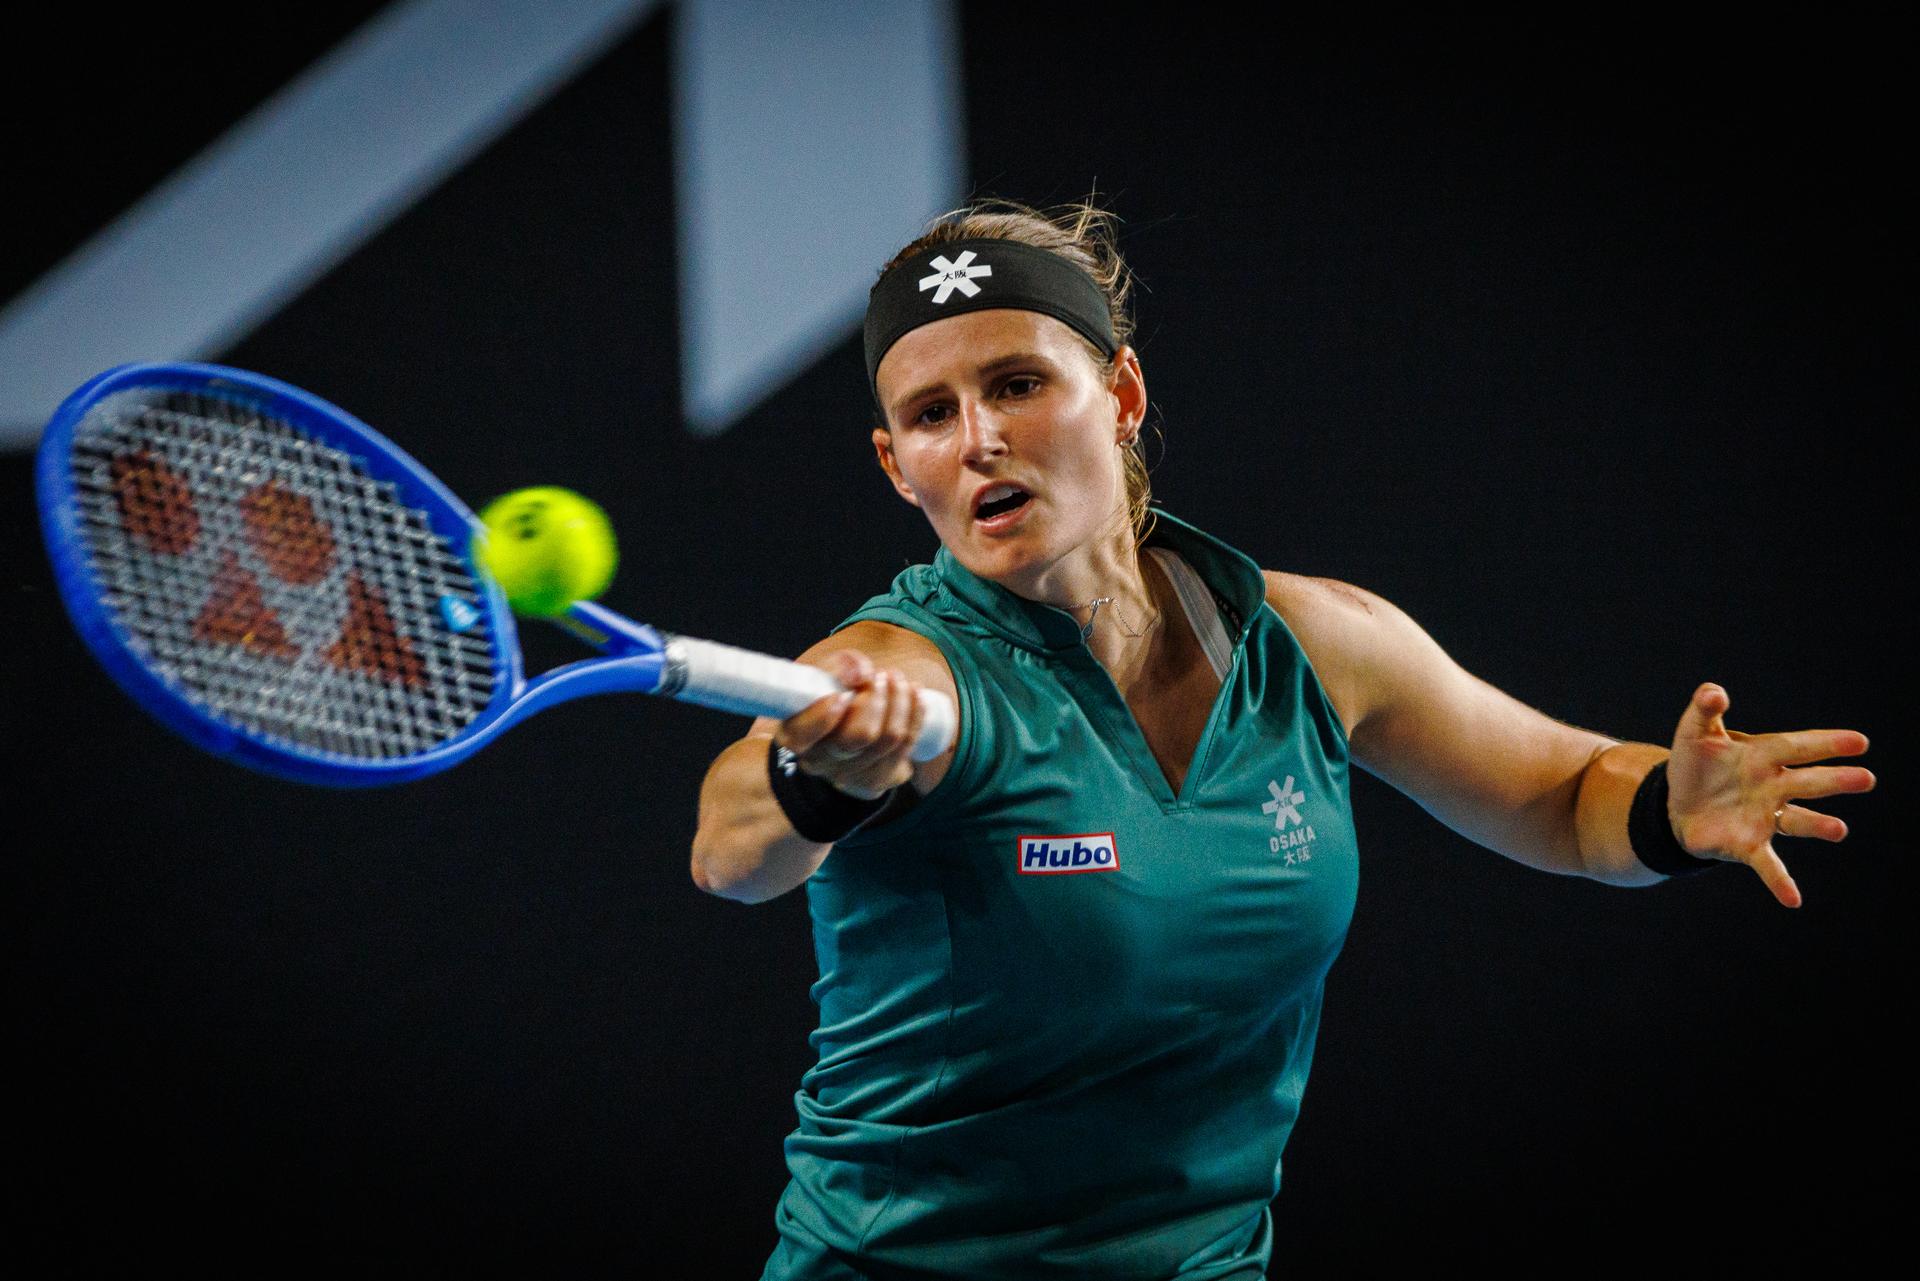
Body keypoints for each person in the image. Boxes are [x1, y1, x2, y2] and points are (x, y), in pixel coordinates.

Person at [690, 198, 1876, 1281]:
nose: (979, 440)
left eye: (1016, 384)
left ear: (1123, 394)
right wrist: (812, 778)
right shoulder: (899, 668)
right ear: (899, 467)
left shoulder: (1311, 639)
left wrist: (1670, 805)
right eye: (931, 416)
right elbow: (731, 845)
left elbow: (1562, 793)